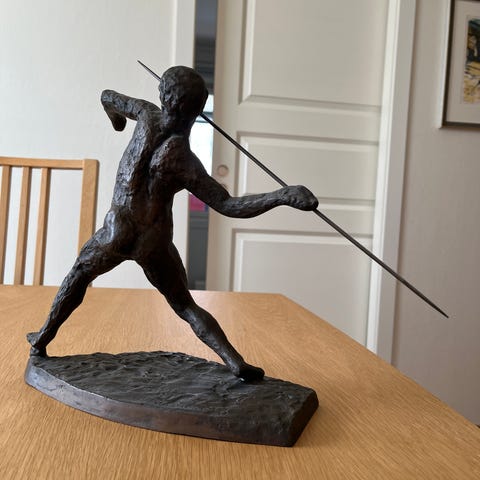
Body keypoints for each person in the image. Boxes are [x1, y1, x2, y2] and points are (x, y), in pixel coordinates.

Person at [27, 66, 318, 381]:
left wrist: (118, 121)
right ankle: (234, 361)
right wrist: (281, 196)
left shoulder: (145, 114)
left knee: (79, 276)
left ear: (162, 96)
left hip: (117, 229)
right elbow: (229, 206)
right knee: (184, 305)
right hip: (153, 239)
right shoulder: (184, 162)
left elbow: (107, 97)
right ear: (198, 109)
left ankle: (42, 338)